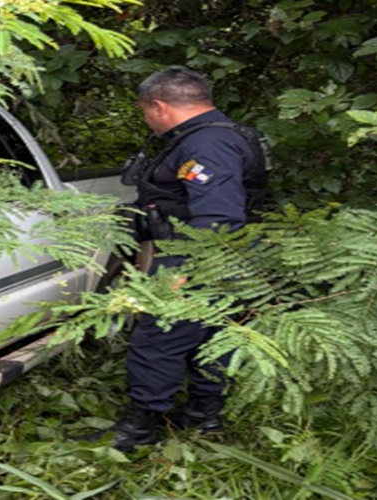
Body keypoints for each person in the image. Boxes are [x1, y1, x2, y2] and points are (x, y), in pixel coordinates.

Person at [84, 67, 255, 451]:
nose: (148, 120)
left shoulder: (206, 146)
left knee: (158, 338)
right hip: (229, 255)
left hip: (198, 255)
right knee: (213, 334)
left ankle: (142, 427)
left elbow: (219, 217)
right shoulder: (223, 135)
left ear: (159, 106)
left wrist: (184, 274)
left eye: (145, 112)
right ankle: (203, 415)